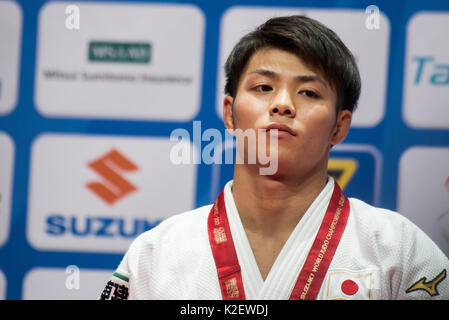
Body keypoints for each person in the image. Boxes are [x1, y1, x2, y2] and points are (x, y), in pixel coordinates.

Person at [100, 15, 449, 300]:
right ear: (230, 114)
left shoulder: (398, 250)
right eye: (263, 88)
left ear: (339, 128)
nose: (283, 104)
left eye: (309, 92)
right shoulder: (157, 253)